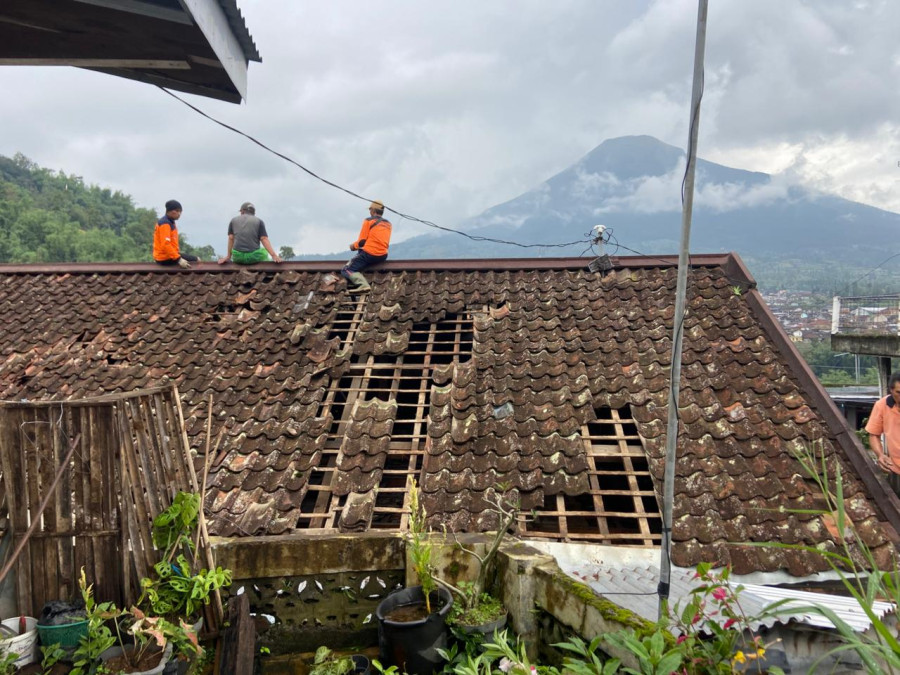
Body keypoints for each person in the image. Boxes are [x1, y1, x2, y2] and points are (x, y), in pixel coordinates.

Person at [341, 200, 391, 293]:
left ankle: (363, 285)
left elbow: (361, 242)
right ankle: (355, 280)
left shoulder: (368, 220)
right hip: (383, 255)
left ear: (373, 210)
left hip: (370, 253)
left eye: (370, 210)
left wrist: (353, 246)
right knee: (361, 254)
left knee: (346, 269)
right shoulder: (388, 224)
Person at [866, 371, 900, 496]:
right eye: (899, 393)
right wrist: (880, 455)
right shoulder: (882, 405)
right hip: (896, 468)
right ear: (891, 390)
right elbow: (874, 434)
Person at [217, 202, 283, 265]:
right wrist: (274, 256)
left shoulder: (233, 220)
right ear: (253, 212)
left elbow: (231, 238)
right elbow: (264, 239)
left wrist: (228, 256)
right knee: (264, 252)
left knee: (236, 252)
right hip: (254, 258)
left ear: (242, 211)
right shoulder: (259, 221)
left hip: (238, 258)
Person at [153, 200, 199, 268]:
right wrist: (179, 259)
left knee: (195, 259)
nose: (179, 213)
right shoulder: (165, 223)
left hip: (170, 255)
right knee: (196, 261)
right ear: (169, 211)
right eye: (177, 211)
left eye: (180, 211)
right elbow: (166, 244)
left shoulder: (171, 222)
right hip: (164, 257)